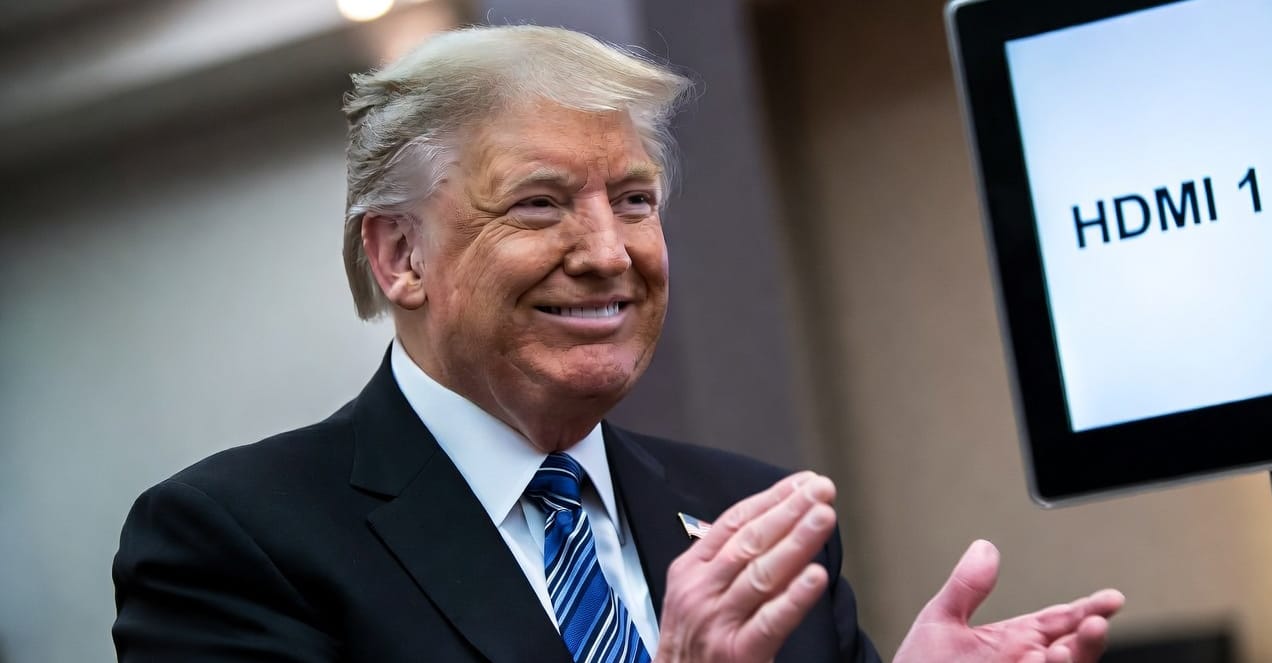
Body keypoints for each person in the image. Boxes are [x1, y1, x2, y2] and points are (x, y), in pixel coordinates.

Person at [112, 25, 1123, 663]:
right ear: (400, 254)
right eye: (540, 204)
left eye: (634, 200)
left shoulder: (746, 514)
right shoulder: (234, 545)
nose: (608, 253)